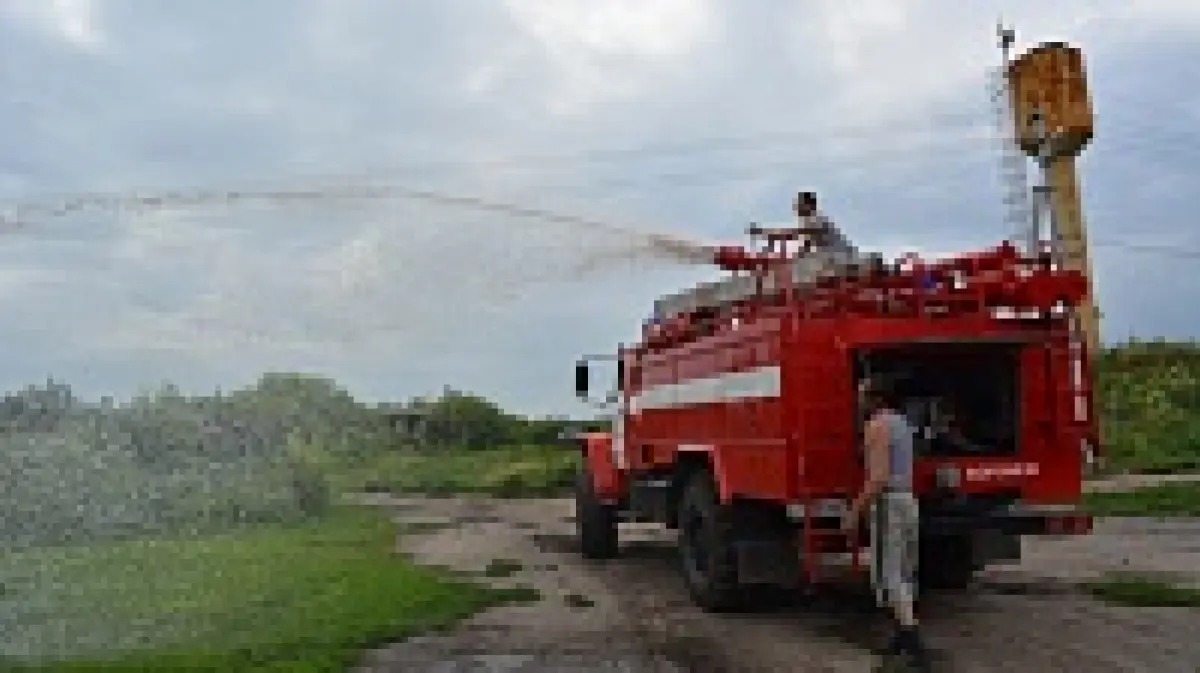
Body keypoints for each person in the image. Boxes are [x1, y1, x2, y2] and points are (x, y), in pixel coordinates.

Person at [843, 374, 930, 669]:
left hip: (888, 504)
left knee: (888, 574)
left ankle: (913, 640)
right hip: (908, 500)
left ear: (875, 399)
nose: (858, 400)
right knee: (905, 570)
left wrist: (855, 510)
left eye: (862, 394)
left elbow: (878, 477)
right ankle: (900, 635)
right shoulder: (904, 425)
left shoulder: (876, 427)